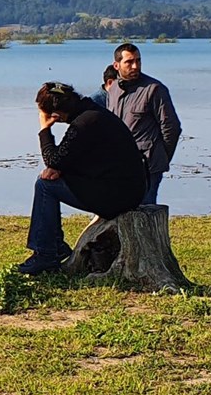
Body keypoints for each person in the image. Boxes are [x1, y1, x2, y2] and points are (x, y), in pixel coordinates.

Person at [18, 82, 148, 275]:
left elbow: (53, 159)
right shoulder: (93, 114)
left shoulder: (84, 124)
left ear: (56, 114)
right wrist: (60, 169)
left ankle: (46, 254)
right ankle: (54, 246)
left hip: (119, 196)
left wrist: (45, 130)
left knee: (45, 186)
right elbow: (72, 158)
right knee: (50, 180)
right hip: (128, 189)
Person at [107, 43, 182, 204]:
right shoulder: (112, 89)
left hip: (148, 167)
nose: (135, 66)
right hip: (121, 166)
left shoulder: (154, 89)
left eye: (138, 61)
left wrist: (161, 157)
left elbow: (172, 127)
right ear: (117, 65)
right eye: (129, 62)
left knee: (145, 214)